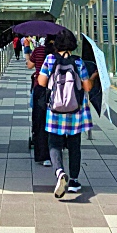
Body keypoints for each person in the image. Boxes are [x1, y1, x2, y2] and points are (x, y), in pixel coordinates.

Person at [37, 29, 93, 197]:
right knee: (75, 145)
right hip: (76, 111)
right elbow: (87, 87)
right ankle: (74, 180)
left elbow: (41, 82)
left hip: (55, 110)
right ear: (73, 44)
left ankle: (60, 172)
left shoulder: (50, 59)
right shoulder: (78, 62)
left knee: (54, 143)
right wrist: (94, 77)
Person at [27, 37, 50, 165]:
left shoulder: (38, 51)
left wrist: (28, 55)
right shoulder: (57, 54)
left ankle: (42, 153)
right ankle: (57, 147)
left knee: (40, 120)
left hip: (39, 89)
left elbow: (30, 65)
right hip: (57, 93)